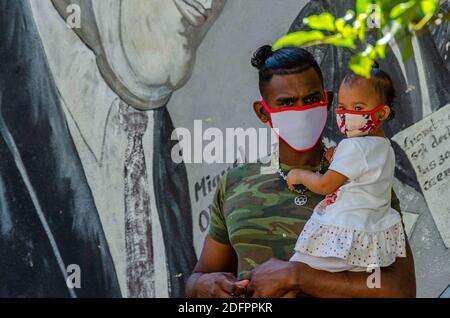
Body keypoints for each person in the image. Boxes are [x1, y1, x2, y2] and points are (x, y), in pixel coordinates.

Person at [185, 45, 416, 298]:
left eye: (312, 99)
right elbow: (199, 277)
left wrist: (297, 277)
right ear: (263, 111)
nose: (302, 110)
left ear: (327, 101)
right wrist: (203, 286)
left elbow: (399, 288)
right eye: (286, 102)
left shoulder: (364, 180)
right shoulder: (235, 184)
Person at [287, 65, 407, 273]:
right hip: (369, 241)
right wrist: (339, 156)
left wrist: (299, 174)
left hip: (342, 235)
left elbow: (325, 185)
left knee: (289, 274)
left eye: (358, 108)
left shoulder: (353, 147)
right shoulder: (385, 148)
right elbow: (362, 170)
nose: (346, 115)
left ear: (382, 113)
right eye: (342, 108)